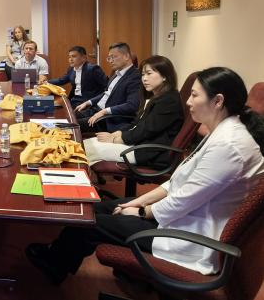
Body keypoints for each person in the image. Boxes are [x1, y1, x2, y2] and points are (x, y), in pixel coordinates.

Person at [27, 66, 264, 284]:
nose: (188, 102)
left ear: (218, 101)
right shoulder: (224, 130)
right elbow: (177, 182)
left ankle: (55, 264)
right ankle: (58, 258)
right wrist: (139, 201)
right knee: (93, 208)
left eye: (194, 95)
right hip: (182, 215)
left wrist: (142, 211)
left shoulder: (229, 145)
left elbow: (185, 199)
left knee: (89, 223)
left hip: (188, 235)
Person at [83, 55, 184, 166]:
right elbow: (137, 123)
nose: (144, 78)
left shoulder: (169, 100)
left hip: (147, 151)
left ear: (164, 76)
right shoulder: (154, 96)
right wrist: (117, 133)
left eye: (149, 73)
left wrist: (115, 139)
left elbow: (146, 130)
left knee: (87, 150)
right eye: (143, 74)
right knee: (86, 144)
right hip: (138, 143)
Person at [75, 42, 141, 132]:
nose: (110, 61)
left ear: (126, 56)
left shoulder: (135, 77)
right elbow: (106, 93)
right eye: (109, 58)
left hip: (109, 118)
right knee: (70, 116)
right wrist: (88, 102)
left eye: (113, 57)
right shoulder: (116, 73)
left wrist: (105, 111)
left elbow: (132, 105)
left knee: (73, 126)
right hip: (96, 110)